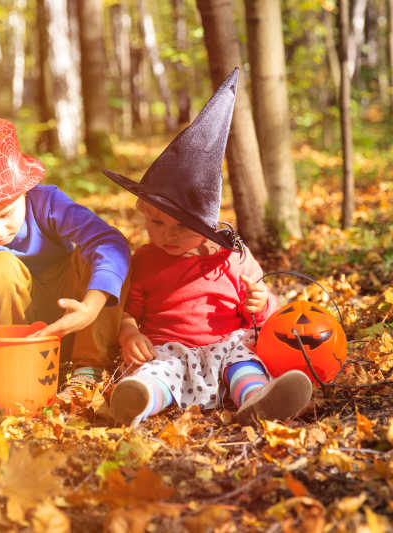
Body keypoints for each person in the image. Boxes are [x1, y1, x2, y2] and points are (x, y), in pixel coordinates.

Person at [102, 68, 312, 426]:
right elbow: (129, 309)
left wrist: (263, 304)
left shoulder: (232, 259)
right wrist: (129, 332)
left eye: (182, 227)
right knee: (156, 373)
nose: (168, 236)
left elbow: (262, 312)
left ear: (207, 228)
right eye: (156, 223)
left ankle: (258, 400)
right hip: (167, 348)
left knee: (243, 364)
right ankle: (137, 400)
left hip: (224, 343)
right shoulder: (146, 259)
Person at [0, 118, 130, 397]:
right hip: (21, 338)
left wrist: (91, 307)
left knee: (99, 256)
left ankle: (88, 369)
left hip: (77, 320)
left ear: (24, 191)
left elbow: (110, 242)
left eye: (6, 215)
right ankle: (13, 366)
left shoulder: (48, 203)